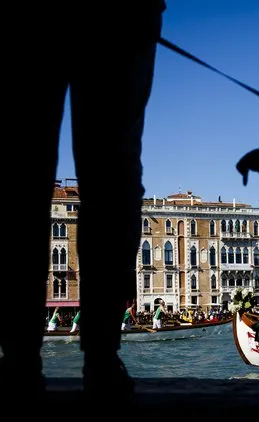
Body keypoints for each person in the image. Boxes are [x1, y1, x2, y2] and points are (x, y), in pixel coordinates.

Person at [0, 1, 166, 400]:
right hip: (119, 18)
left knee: (20, 174)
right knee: (112, 170)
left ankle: (21, 360)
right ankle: (100, 358)